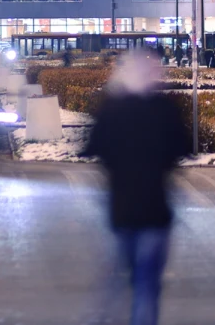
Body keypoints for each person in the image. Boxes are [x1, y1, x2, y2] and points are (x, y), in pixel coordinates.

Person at [80, 53, 188, 325]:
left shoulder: (112, 109)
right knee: (147, 280)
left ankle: (108, 315)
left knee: (121, 272)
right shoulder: (165, 108)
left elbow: (93, 147)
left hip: (121, 205)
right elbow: (181, 148)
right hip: (156, 206)